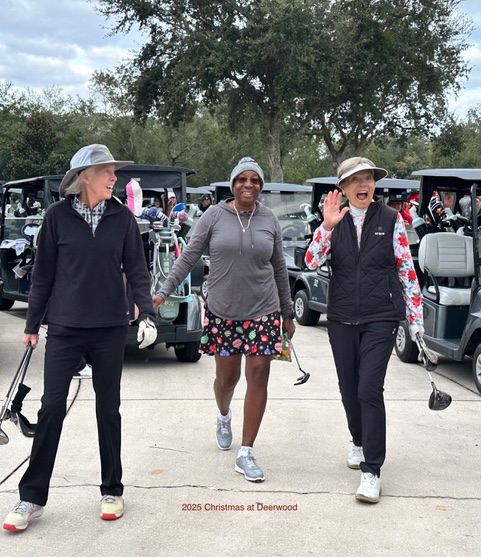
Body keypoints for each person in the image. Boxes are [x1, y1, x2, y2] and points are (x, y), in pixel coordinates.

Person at [3, 144, 158, 532]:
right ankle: (31, 497)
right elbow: (43, 275)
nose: (114, 178)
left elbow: (137, 270)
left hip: (110, 328)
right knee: (51, 407)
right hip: (64, 327)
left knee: (108, 409)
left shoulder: (123, 219)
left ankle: (112, 490)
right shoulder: (56, 218)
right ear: (84, 177)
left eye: (113, 171)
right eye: (106, 171)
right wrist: (31, 326)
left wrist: (147, 314)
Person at [153, 157, 296, 482]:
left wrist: (287, 313)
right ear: (233, 184)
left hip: (263, 310)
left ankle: (246, 452)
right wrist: (163, 291)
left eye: (255, 180)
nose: (248, 185)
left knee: (258, 375)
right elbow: (189, 255)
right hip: (224, 312)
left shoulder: (269, 219)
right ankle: (223, 414)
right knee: (227, 380)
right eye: (242, 179)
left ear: (261, 186)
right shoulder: (214, 216)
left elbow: (279, 268)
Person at [305, 157, 423, 504]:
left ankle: (372, 471)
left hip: (381, 317)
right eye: (355, 180)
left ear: (374, 185)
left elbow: (406, 269)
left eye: (368, 178)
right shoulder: (333, 220)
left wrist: (415, 318)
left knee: (369, 388)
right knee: (349, 390)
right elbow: (311, 261)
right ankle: (357, 441)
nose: (363, 185)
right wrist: (326, 227)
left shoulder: (390, 219)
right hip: (341, 318)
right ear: (342, 188)